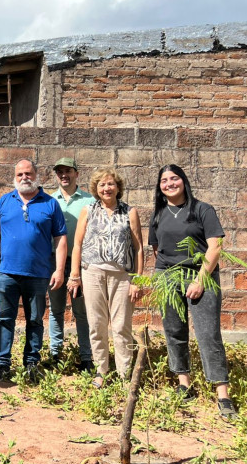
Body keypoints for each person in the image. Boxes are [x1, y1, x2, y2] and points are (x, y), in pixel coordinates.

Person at [148, 164, 236, 421]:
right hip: (168, 278)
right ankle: (184, 384)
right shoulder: (159, 213)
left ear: (183, 181)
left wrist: (199, 280)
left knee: (208, 334)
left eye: (174, 178)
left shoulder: (202, 209)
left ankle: (223, 394)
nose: (169, 183)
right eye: (164, 180)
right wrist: (164, 278)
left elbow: (215, 247)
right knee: (174, 332)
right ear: (160, 186)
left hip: (202, 278)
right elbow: (157, 250)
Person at [0, 159, 67, 383]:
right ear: (14, 177)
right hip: (6, 272)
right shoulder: (4, 201)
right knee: (5, 319)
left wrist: (59, 269)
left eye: (28, 173)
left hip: (39, 274)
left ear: (36, 175)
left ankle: (32, 363)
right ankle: (2, 364)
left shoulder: (50, 203)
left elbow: (60, 239)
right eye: (19, 174)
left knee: (35, 320)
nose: (24, 178)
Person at [67, 167, 143, 388]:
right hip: (92, 273)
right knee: (97, 324)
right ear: (96, 188)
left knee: (121, 326)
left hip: (121, 275)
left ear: (118, 187)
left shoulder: (130, 212)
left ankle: (123, 375)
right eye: (102, 184)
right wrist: (74, 276)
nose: (106, 188)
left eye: (110, 184)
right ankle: (101, 371)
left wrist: (137, 279)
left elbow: (138, 248)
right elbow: (78, 244)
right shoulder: (88, 210)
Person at [47, 158, 95, 371]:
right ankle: (55, 354)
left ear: (77, 173)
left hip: (80, 263)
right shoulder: (49, 200)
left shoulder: (89, 200)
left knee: (81, 311)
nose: (63, 175)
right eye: (60, 172)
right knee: (55, 309)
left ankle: (86, 357)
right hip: (54, 262)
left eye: (68, 171)